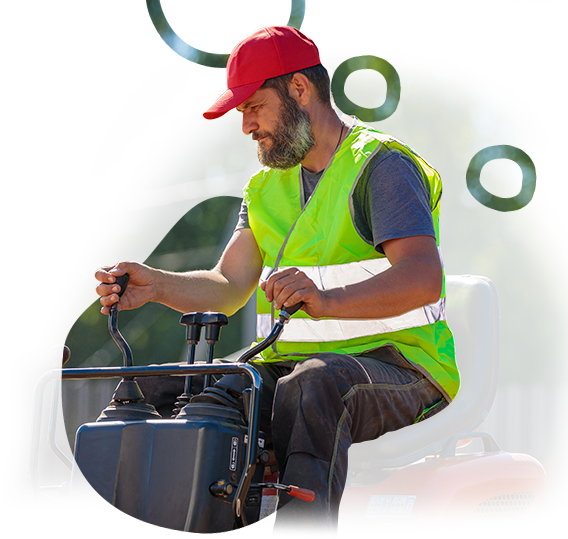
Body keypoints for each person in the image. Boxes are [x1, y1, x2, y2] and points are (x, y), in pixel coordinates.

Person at [94, 25, 460, 539]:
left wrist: (326, 300)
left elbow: (423, 278)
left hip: (402, 366)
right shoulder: (267, 187)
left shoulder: (382, 166)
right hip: (296, 372)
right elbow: (227, 283)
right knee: (160, 384)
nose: (245, 126)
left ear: (299, 89)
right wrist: (155, 285)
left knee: (310, 387)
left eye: (252, 107)